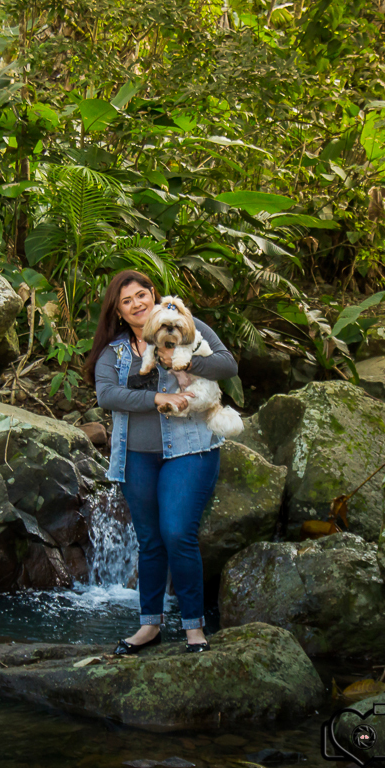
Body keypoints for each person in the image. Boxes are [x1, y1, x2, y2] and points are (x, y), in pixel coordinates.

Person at [83, 270, 238, 654]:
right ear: (118, 312)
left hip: (190, 450)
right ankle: (149, 626)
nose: (136, 304)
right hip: (137, 457)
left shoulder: (184, 324)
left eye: (141, 295)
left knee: (177, 533)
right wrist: (157, 398)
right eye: (126, 301)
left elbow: (227, 364)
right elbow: (107, 395)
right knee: (150, 541)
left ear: (153, 294)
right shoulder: (114, 352)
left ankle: (193, 628)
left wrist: (183, 362)